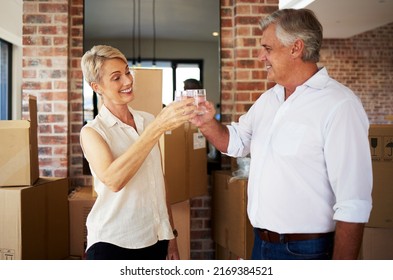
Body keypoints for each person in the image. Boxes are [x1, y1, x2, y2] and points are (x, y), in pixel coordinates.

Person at [191, 9, 373, 260]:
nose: (260, 56)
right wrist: (207, 123)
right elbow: (237, 143)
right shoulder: (269, 99)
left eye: (267, 48)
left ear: (295, 48)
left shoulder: (339, 105)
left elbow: (354, 203)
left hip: (308, 252)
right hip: (261, 244)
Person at [80, 45, 196, 260]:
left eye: (127, 72)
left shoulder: (147, 120)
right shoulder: (92, 132)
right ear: (97, 86)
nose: (127, 81)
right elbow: (114, 180)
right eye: (116, 77)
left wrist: (170, 237)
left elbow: (158, 181)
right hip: (113, 243)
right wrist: (157, 128)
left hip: (155, 239)